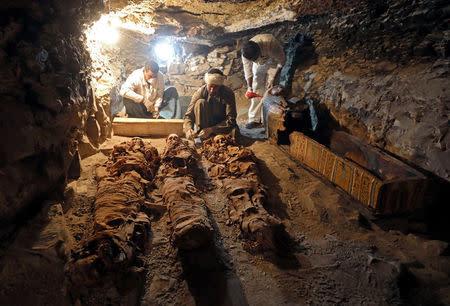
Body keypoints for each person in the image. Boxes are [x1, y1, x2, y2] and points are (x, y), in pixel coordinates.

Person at [241, 33, 286, 129]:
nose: (253, 61)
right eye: (252, 60)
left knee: (270, 90)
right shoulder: (246, 53)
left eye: (254, 58)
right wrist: (249, 88)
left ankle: (266, 119)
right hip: (259, 65)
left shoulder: (270, 43)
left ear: (259, 51)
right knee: (256, 87)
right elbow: (247, 71)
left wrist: (273, 78)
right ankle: (254, 119)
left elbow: (281, 61)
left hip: (273, 62)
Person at [184, 68, 239, 141]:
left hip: (221, 126)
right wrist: (188, 129)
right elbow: (188, 115)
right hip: (206, 124)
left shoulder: (228, 93)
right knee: (200, 102)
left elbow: (231, 119)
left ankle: (212, 134)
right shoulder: (200, 92)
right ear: (207, 84)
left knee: (233, 136)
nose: (212, 90)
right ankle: (203, 135)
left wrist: (212, 129)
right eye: (210, 86)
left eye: (216, 87)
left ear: (220, 86)